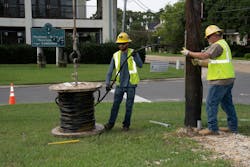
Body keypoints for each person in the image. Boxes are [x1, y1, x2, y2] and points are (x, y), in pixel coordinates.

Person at [181, 25, 238, 135]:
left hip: (220, 80)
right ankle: (232, 127)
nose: (207, 40)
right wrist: (199, 63)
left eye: (208, 37)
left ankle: (212, 128)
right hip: (227, 78)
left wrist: (189, 53)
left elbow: (204, 55)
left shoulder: (217, 45)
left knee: (211, 103)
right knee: (227, 104)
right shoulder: (224, 44)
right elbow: (214, 63)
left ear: (214, 36)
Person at [104, 32, 143, 131]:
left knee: (129, 106)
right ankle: (110, 124)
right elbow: (109, 71)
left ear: (127, 43)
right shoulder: (115, 55)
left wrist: (135, 56)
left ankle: (126, 125)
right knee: (115, 105)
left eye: (123, 43)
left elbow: (140, 65)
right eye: (119, 44)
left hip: (131, 84)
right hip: (119, 85)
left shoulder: (133, 52)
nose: (120, 45)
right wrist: (107, 83)